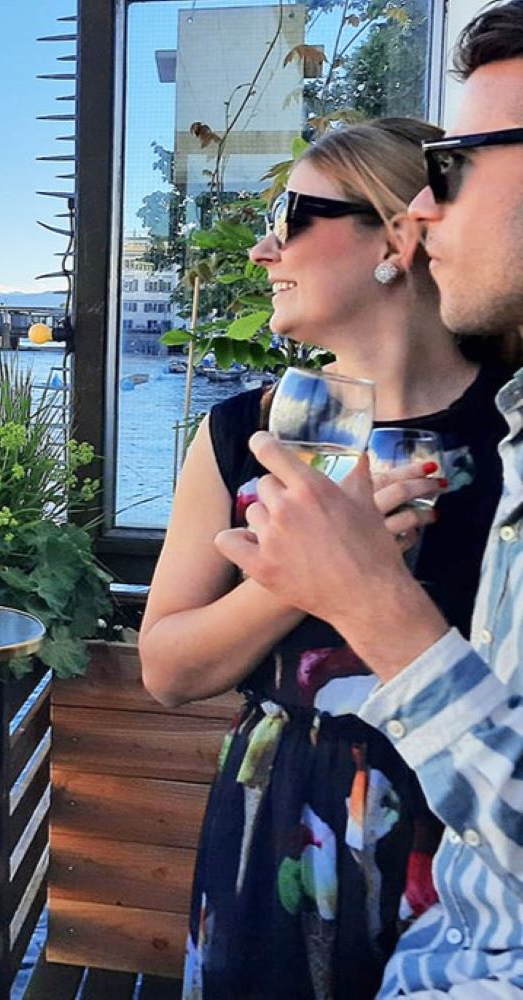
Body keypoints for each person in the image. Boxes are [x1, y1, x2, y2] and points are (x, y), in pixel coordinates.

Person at [140, 117, 512, 999]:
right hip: (278, 818)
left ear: (396, 233)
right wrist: (303, 575)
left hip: (466, 830)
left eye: (293, 214)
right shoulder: (240, 434)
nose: (265, 248)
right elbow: (165, 668)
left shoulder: (510, 439)